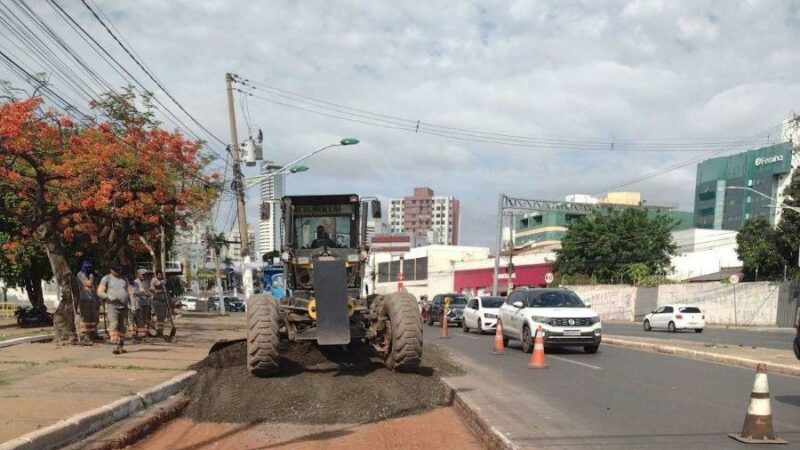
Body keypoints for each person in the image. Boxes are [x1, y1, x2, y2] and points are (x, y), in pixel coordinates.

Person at [97, 263, 133, 354]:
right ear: (111, 270)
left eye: (119, 269)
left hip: (124, 306)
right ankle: (114, 344)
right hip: (112, 306)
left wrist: (133, 304)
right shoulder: (106, 278)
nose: (118, 271)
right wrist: (108, 296)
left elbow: (130, 292)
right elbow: (99, 292)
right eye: (116, 270)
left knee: (123, 326)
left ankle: (120, 346)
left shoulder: (124, 279)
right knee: (114, 323)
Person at [76, 261, 101, 342]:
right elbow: (89, 284)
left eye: (90, 267)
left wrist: (98, 299)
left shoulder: (91, 275)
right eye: (87, 267)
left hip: (93, 298)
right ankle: (84, 335)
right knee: (85, 318)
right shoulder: (80, 274)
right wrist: (92, 275)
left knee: (94, 318)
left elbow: (95, 287)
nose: (89, 269)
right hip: (84, 299)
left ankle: (93, 334)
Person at [132, 268, 153, 340]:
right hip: (138, 302)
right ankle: (140, 334)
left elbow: (148, 291)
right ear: (138, 275)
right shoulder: (135, 282)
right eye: (142, 274)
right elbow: (134, 292)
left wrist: (149, 293)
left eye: (145, 274)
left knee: (146, 318)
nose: (144, 276)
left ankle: (146, 333)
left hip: (146, 302)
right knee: (139, 318)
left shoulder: (145, 282)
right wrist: (144, 293)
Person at [150, 271, 168, 338]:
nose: (160, 276)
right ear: (156, 275)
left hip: (163, 301)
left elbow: (164, 290)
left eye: (161, 275)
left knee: (162, 317)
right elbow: (154, 289)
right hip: (156, 300)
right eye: (159, 275)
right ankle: (158, 331)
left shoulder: (162, 281)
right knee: (158, 316)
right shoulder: (154, 280)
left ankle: (161, 331)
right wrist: (161, 289)